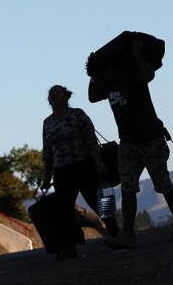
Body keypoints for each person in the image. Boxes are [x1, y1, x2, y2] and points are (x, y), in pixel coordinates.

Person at [89, 40, 173, 249]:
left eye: (101, 74)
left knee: (163, 183)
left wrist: (137, 53)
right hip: (128, 142)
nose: (100, 79)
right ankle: (128, 235)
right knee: (128, 188)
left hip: (151, 138)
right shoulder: (107, 84)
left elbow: (149, 75)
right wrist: (93, 74)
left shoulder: (129, 74)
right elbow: (92, 97)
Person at [42, 85, 120, 259]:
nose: (53, 96)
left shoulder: (78, 115)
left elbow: (91, 141)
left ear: (66, 97)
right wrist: (46, 176)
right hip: (62, 171)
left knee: (97, 202)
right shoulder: (47, 123)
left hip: (84, 165)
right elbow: (47, 152)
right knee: (64, 210)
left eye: (57, 92)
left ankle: (117, 234)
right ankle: (69, 247)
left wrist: (99, 163)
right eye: (51, 94)